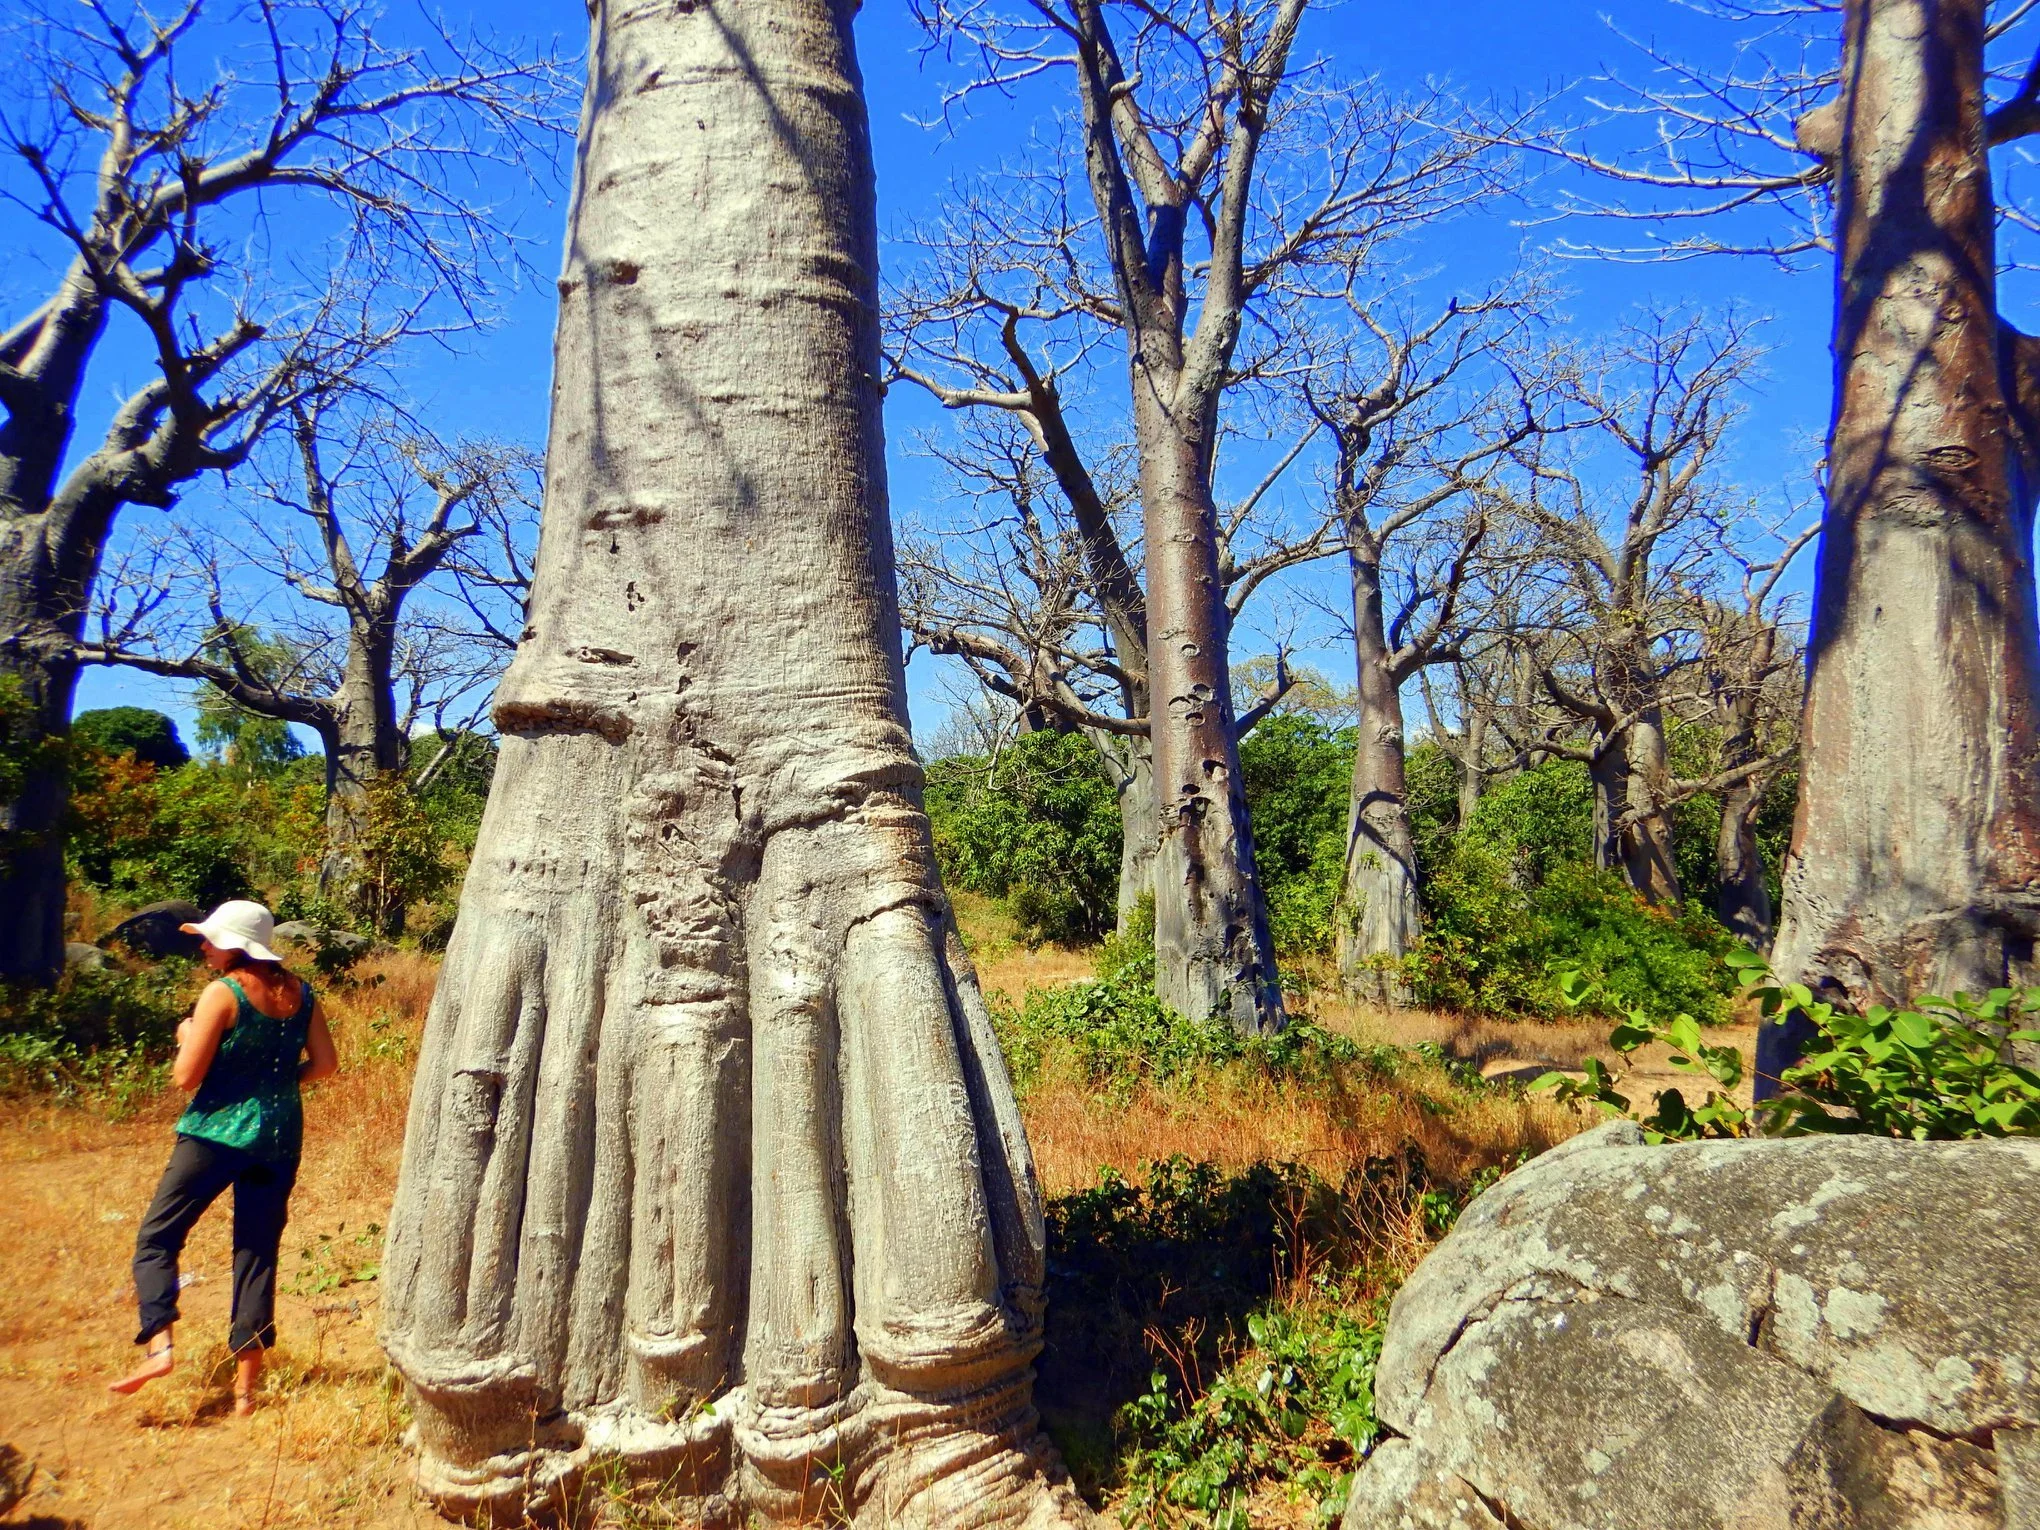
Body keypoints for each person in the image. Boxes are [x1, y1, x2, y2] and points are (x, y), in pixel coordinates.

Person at [108, 900, 338, 1415]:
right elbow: (325, 1065)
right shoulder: (301, 995)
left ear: (235, 946)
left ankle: (160, 1346)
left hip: (215, 1135)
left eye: (211, 939)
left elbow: (186, 1078)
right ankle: (244, 1393)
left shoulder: (223, 993)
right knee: (256, 1251)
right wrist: (275, 1087)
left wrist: (186, 1034)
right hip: (278, 1138)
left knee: (157, 1238)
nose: (204, 946)